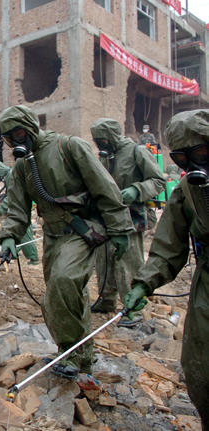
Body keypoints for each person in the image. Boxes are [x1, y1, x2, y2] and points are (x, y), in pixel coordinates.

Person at [0, 105, 134, 378]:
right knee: (69, 294)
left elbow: (104, 186)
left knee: (61, 283)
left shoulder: (69, 146)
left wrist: (119, 228)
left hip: (82, 230)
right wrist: (9, 235)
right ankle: (83, 358)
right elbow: (18, 208)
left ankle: (69, 352)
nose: (17, 141)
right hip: (53, 236)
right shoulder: (23, 167)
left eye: (20, 132)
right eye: (11, 138)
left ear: (32, 127)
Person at [125, 110, 209, 429]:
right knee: (200, 368)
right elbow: (167, 250)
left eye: (199, 152)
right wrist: (143, 283)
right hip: (207, 285)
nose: (193, 164)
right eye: (181, 157)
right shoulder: (186, 193)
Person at [90, 119, 165, 327]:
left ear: (113, 136)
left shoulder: (137, 152)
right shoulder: (104, 156)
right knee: (104, 260)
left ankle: (131, 308)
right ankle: (106, 301)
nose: (100, 145)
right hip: (107, 218)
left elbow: (158, 181)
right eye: (97, 141)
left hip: (131, 217)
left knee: (128, 262)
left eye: (103, 140)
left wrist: (137, 190)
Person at [0, 160, 39, 265]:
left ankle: (33, 258)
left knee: (24, 231)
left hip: (21, 206)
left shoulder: (11, 175)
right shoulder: (10, 175)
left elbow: (13, 194)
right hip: (20, 205)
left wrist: (3, 206)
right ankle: (15, 250)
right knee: (18, 230)